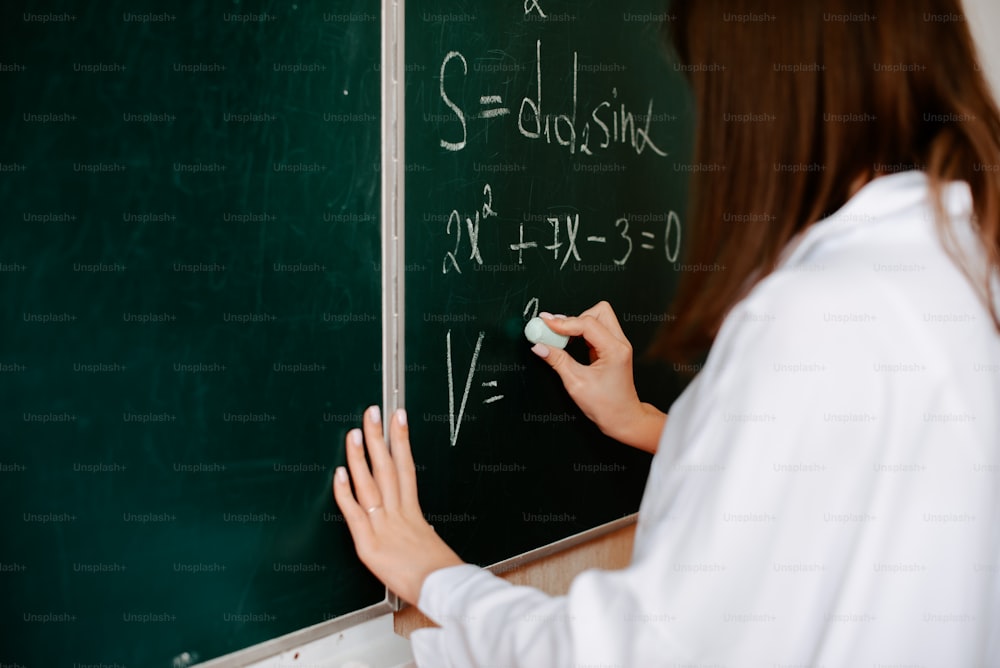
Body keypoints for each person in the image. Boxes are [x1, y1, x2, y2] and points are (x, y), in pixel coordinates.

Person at [332, 0, 1000, 665]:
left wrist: (435, 577)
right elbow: (841, 467)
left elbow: (643, 652)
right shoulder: (965, 266)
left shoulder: (814, 316)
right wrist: (649, 422)